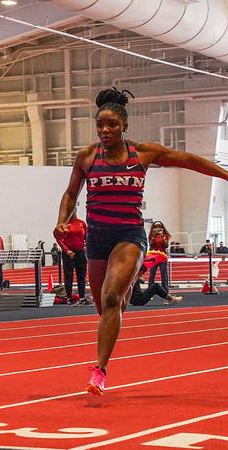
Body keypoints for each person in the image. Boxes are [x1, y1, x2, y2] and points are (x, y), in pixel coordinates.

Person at [55, 87, 228, 395]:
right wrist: (62, 221)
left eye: (112, 125)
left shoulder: (142, 153)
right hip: (98, 238)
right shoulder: (88, 157)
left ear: (124, 126)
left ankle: (99, 370)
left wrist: (226, 175)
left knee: (111, 299)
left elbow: (188, 160)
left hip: (129, 235)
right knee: (109, 307)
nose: (105, 131)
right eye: (100, 126)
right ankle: (135, 278)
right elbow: (71, 194)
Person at [54, 210, 88, 304]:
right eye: (71, 212)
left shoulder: (82, 223)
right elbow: (59, 239)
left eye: (74, 211)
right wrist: (67, 250)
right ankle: (68, 297)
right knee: (68, 275)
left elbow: (87, 237)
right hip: (68, 253)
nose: (73, 214)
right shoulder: (63, 225)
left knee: (81, 275)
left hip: (80, 251)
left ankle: (82, 297)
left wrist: (87, 248)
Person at [147, 220, 171, 291]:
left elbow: (166, 245)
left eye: (159, 228)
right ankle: (149, 292)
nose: (157, 229)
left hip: (162, 257)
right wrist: (154, 237)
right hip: (153, 257)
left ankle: (166, 292)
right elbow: (151, 245)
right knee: (152, 274)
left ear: (162, 228)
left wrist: (162, 237)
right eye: (155, 228)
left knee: (164, 275)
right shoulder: (151, 235)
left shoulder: (165, 236)